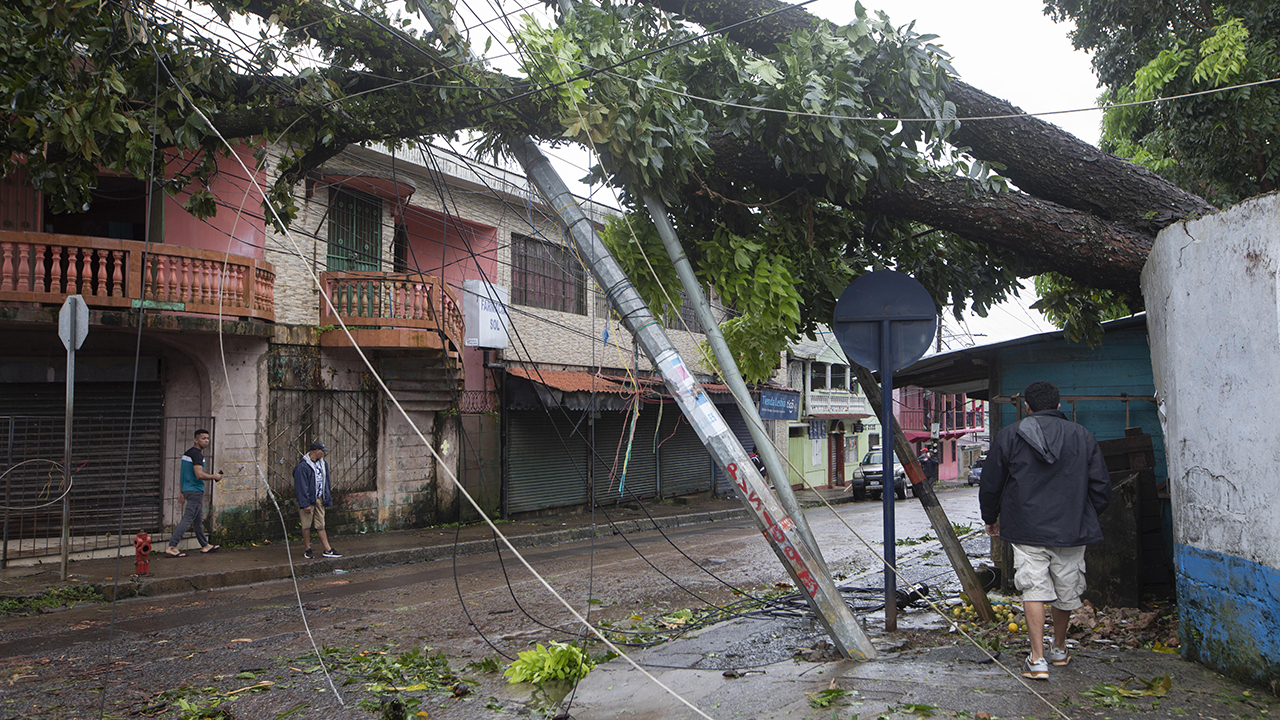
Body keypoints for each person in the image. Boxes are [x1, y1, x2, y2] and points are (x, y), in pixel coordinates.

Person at [979, 381, 1110, 680]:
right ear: (1059, 406)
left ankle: (1037, 660)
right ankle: (1060, 648)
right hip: (1072, 528)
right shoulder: (1083, 436)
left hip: (1026, 528)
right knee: (1066, 587)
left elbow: (991, 484)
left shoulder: (1009, 436)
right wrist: (1084, 514)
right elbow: (1102, 487)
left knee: (1033, 588)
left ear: (1027, 407)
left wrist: (991, 517)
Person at [165, 428, 223, 557]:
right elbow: (199, 475)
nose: (206, 441)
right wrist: (214, 476)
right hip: (195, 490)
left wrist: (181, 492)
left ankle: (205, 545)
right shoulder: (197, 454)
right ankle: (172, 546)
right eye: (203, 438)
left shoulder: (187, 454)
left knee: (197, 519)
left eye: (207, 438)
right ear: (195, 440)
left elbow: (183, 474)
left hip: (188, 489)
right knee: (188, 519)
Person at [293, 440, 341, 559]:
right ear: (315, 451)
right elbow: (301, 487)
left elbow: (326, 482)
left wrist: (327, 499)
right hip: (309, 500)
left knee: (321, 525)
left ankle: (327, 549)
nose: (323, 454)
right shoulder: (303, 467)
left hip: (320, 498)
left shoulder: (323, 464)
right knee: (306, 525)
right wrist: (305, 503)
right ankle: (307, 549)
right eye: (322, 451)